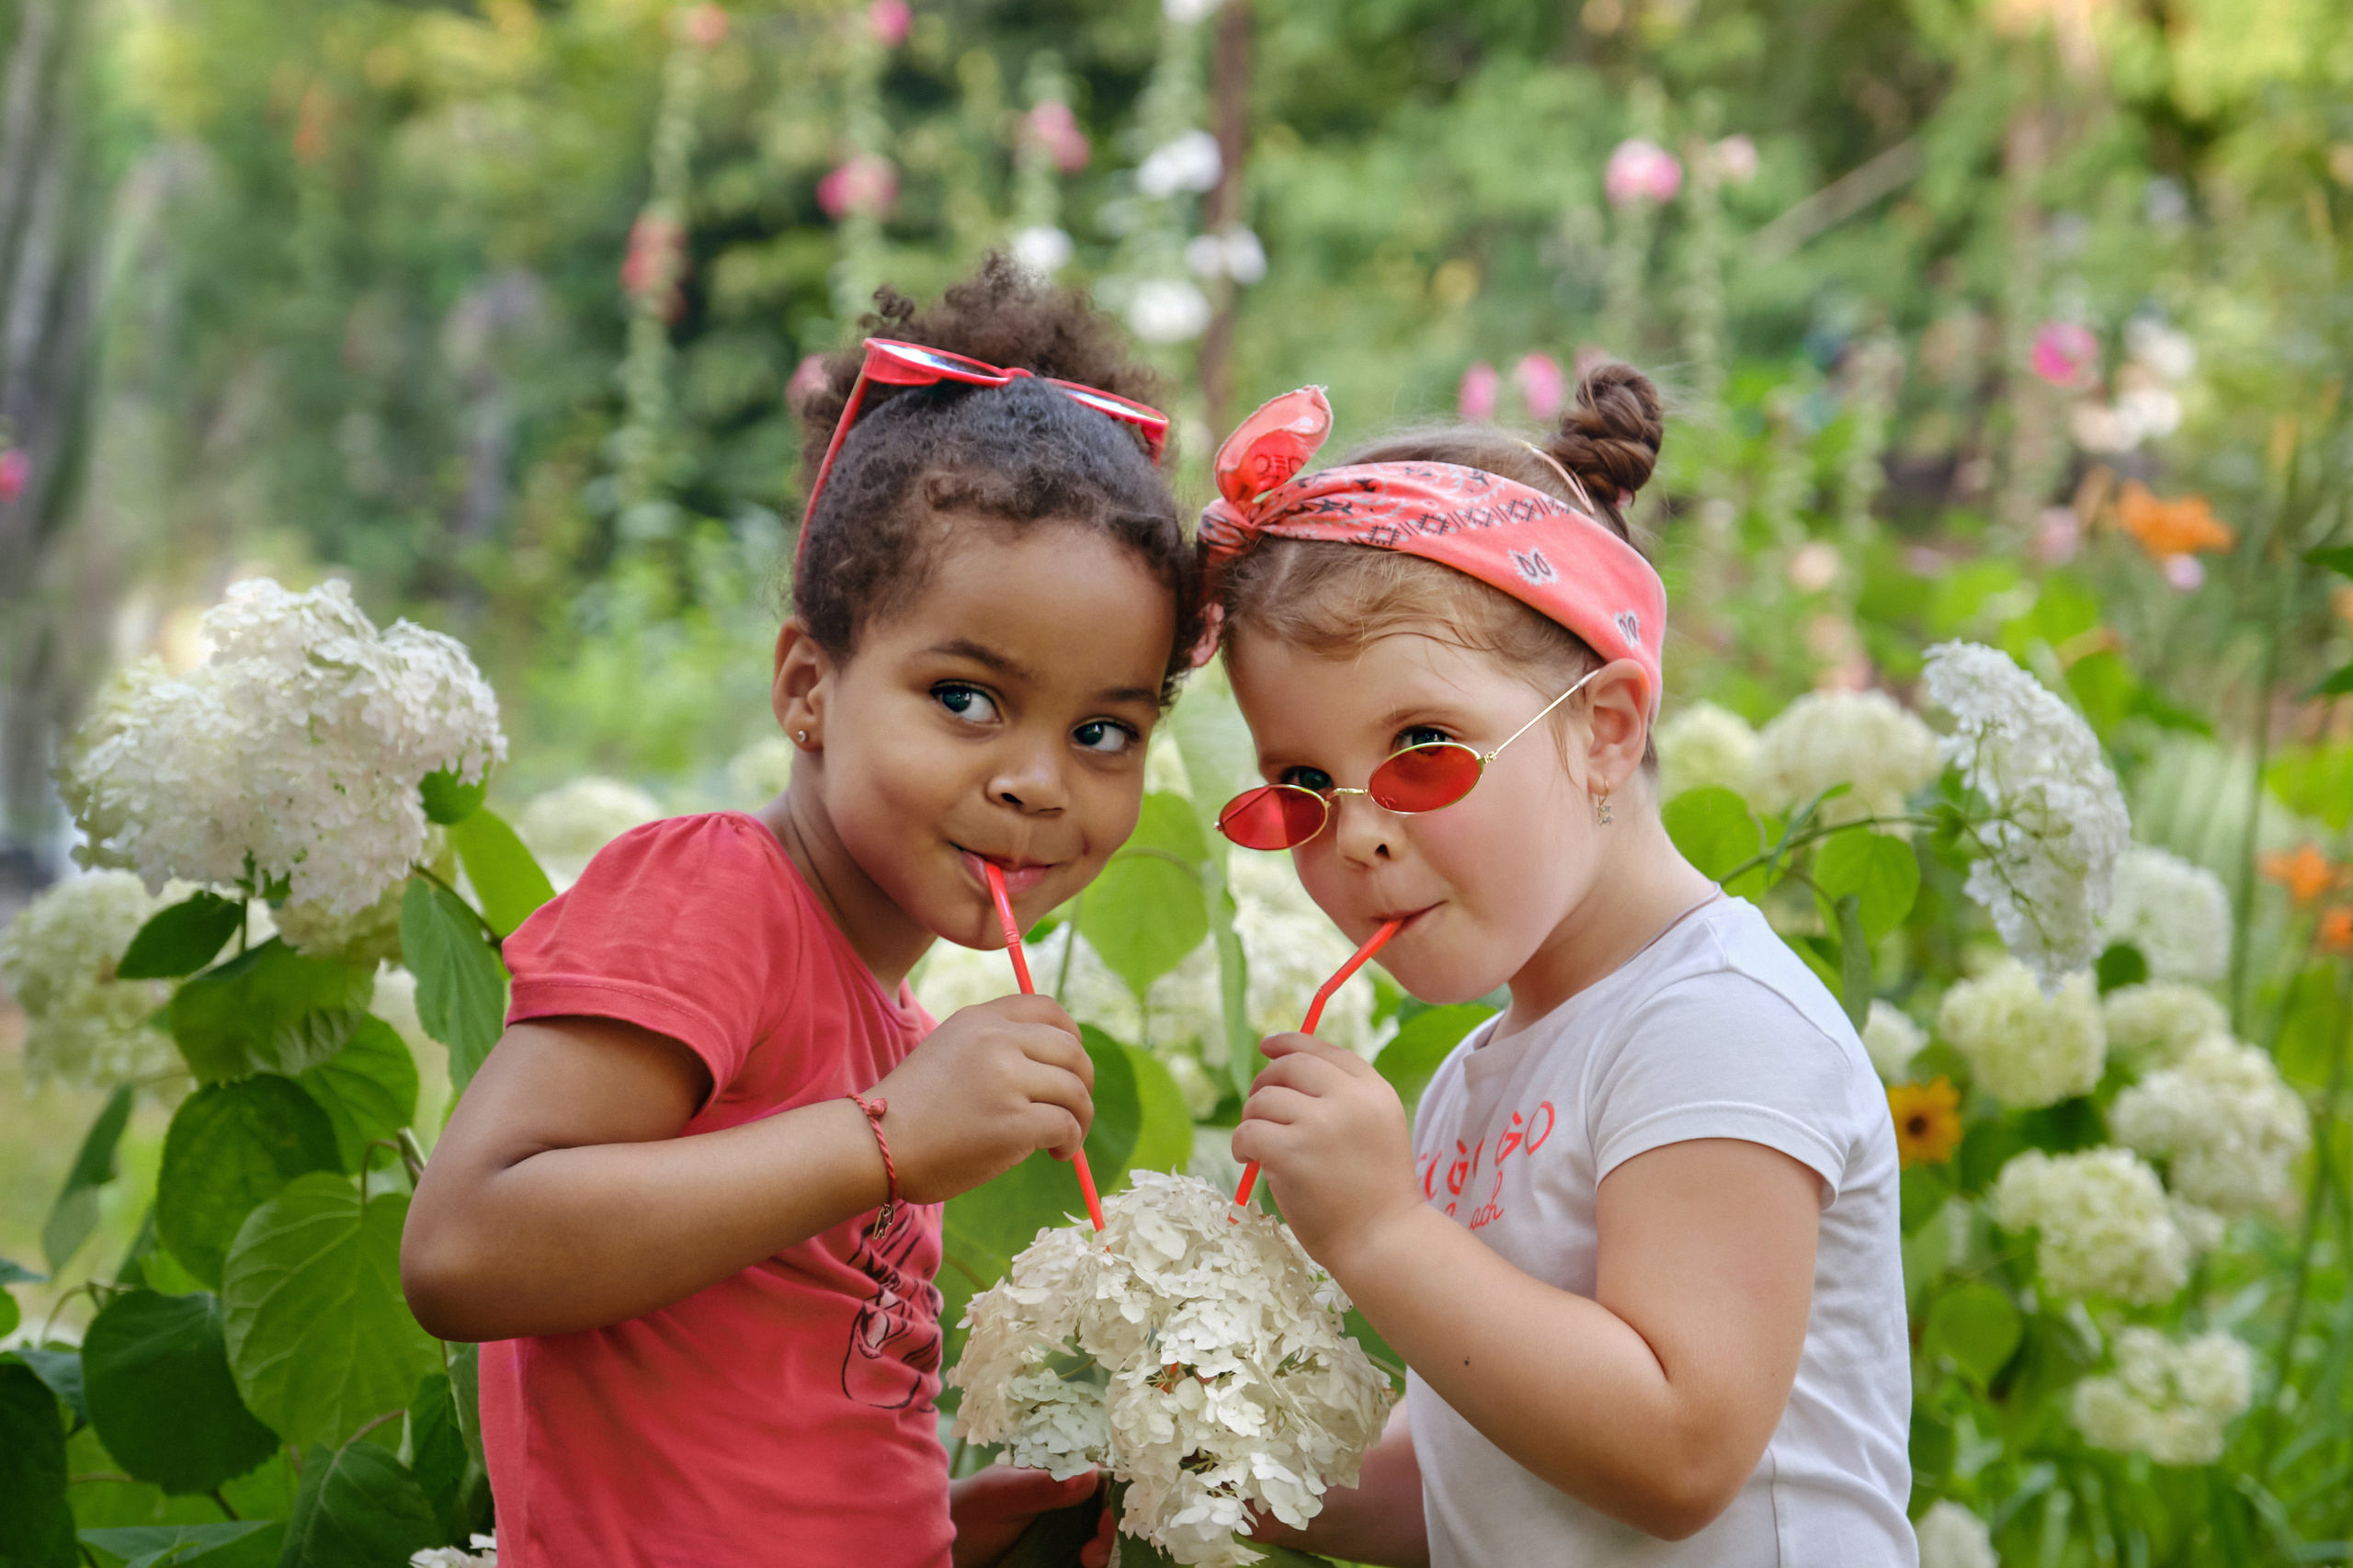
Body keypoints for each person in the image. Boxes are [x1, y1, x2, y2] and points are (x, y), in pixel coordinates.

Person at [400, 256, 1199, 1568]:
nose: (1036, 779)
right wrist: (886, 1138)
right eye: (965, 696)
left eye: (1105, 728)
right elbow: (466, 1246)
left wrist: (941, 1527)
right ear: (807, 687)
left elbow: (767, 1417)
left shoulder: (888, 1023)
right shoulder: (718, 895)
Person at [1203, 372, 1915, 1566]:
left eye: (1424, 747)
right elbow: (1477, 1472)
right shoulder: (1477, 1079)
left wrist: (1379, 1229)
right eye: (1303, 787)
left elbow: (1678, 1450)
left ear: (1606, 730)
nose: (1360, 832)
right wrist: (1206, 1465)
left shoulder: (1713, 1020)